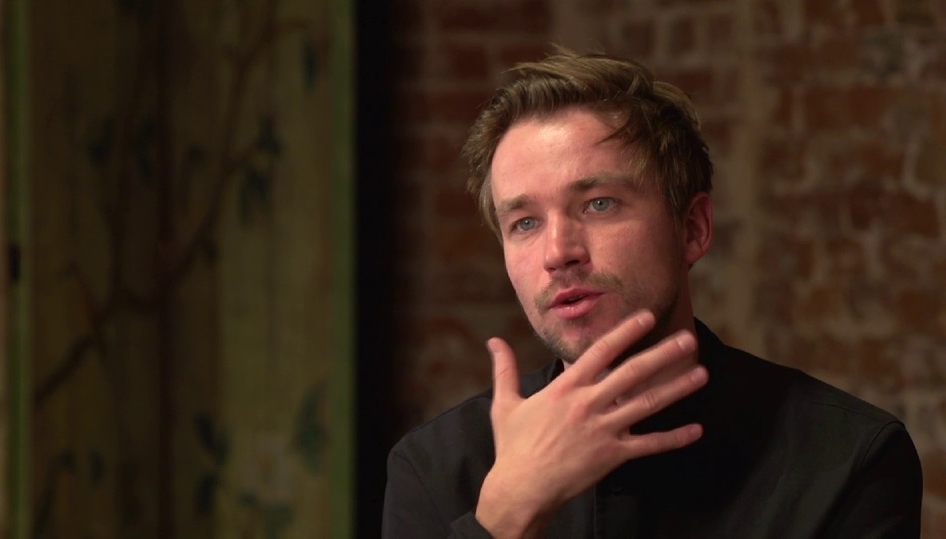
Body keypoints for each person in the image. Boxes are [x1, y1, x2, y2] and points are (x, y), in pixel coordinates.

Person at [381, 47, 923, 538]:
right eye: (524, 222)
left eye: (599, 204)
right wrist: (504, 520)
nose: (558, 252)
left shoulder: (847, 459)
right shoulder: (435, 469)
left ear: (692, 229)